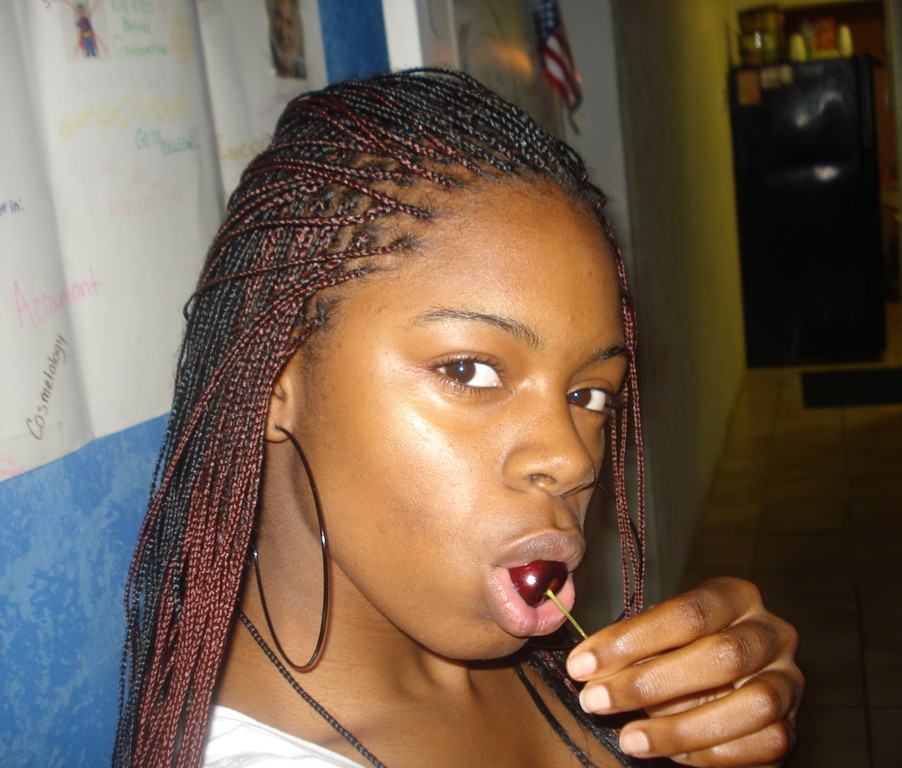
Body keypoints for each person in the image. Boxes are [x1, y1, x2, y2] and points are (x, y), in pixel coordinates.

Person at [113, 69, 801, 768]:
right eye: (469, 371)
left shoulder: (538, 663)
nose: (571, 460)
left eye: (590, 395)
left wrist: (719, 738)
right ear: (275, 377)